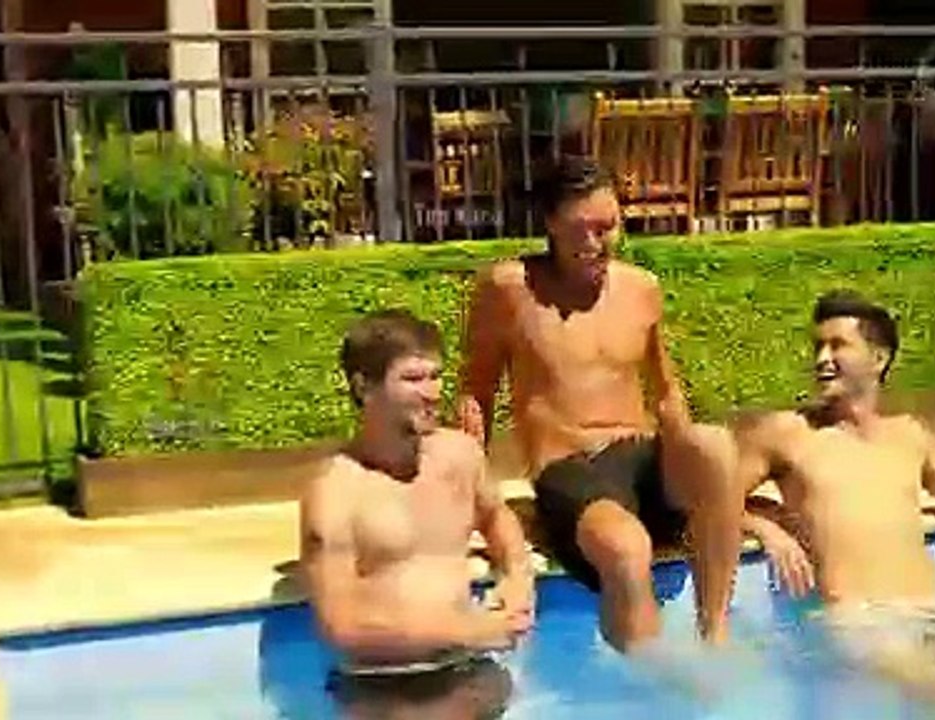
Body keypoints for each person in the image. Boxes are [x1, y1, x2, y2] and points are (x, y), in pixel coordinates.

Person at [455, 156, 743, 652]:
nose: (594, 244)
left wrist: (712, 489)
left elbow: (667, 393)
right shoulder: (509, 290)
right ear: (550, 223)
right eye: (580, 230)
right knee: (628, 548)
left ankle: (715, 636)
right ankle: (650, 678)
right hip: (571, 467)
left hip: (644, 457)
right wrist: (467, 499)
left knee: (715, 445)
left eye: (606, 228)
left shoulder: (640, 288)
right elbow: (474, 395)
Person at [735, 289, 935, 702]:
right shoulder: (789, 433)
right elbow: (707, 500)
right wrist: (766, 530)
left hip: (933, 609)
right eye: (818, 347)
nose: (822, 359)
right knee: (933, 689)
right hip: (859, 621)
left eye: (837, 345)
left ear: (878, 358)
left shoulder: (907, 434)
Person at [300, 308, 534, 716]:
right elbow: (341, 626)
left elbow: (497, 518)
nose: (432, 392)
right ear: (364, 386)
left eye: (435, 376)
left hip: (469, 665)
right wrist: (471, 630)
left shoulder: (459, 455)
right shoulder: (336, 491)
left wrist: (517, 577)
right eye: (412, 379)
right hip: (387, 682)